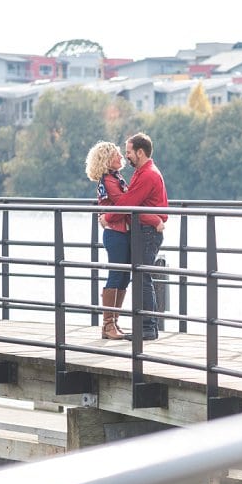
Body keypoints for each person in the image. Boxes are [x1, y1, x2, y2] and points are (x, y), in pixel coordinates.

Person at [85, 140, 163, 340]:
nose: (121, 157)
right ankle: (108, 324)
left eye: (124, 153)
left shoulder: (116, 177)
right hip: (116, 233)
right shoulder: (110, 180)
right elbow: (125, 205)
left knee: (124, 276)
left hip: (122, 231)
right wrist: (154, 219)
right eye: (116, 155)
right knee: (117, 275)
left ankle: (113, 323)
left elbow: (128, 203)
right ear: (106, 160)